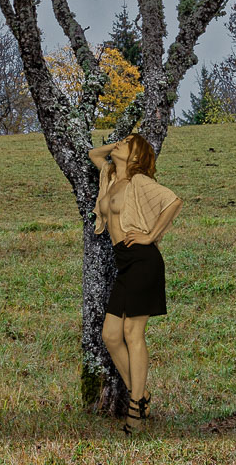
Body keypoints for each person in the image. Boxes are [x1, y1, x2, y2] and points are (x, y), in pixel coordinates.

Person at [88, 131, 182, 434]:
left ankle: (135, 412)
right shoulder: (111, 176)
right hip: (124, 264)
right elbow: (93, 154)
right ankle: (140, 396)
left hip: (143, 260)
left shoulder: (139, 183)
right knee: (111, 335)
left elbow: (174, 202)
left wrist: (151, 236)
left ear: (137, 157)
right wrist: (118, 147)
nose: (119, 144)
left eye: (127, 143)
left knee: (132, 332)